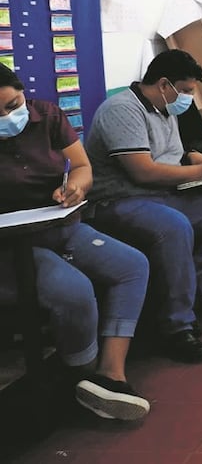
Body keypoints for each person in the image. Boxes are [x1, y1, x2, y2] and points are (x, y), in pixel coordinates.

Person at [0, 64, 150, 420]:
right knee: (74, 291)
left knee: (132, 266)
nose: (7, 116)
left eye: (12, 104)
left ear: (23, 93)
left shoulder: (48, 115)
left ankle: (110, 376)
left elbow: (81, 166)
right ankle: (80, 378)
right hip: (10, 246)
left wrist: (75, 187)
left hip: (60, 224)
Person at [85, 50, 202, 364]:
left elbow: (171, 154)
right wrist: (200, 173)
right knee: (173, 226)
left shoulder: (165, 110)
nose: (188, 98)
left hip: (163, 195)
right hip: (120, 200)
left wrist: (196, 159)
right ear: (164, 84)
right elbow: (143, 171)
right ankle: (175, 326)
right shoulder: (122, 110)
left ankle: (179, 302)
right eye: (185, 91)